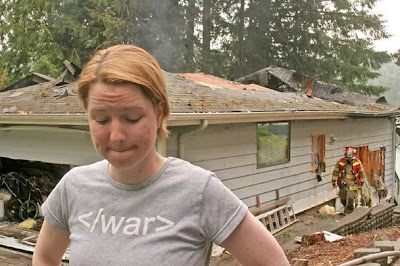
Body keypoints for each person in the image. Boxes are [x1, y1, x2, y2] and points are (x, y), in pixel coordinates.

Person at [32, 44, 289, 265]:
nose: (116, 135)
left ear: (158, 113)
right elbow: (44, 257)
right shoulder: (73, 187)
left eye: (132, 118)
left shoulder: (198, 190)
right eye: (101, 119)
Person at [332, 147, 366, 213]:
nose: (349, 160)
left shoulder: (357, 162)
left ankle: (349, 215)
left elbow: (362, 173)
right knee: (343, 199)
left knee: (350, 201)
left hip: (354, 184)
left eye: (350, 159)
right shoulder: (340, 162)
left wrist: (362, 181)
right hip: (344, 183)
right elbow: (335, 171)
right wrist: (334, 180)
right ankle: (347, 210)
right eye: (347, 159)